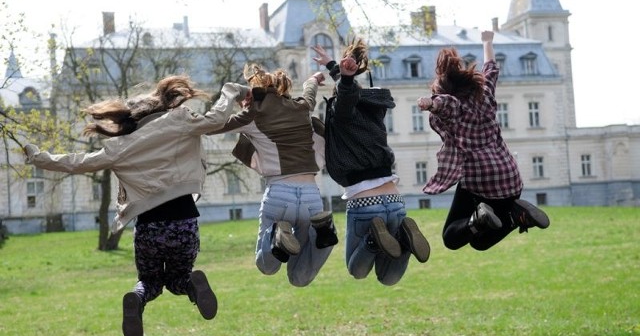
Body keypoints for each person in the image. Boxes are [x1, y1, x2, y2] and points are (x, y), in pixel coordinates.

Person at [23, 75, 249, 336]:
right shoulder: (179, 121)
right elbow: (216, 119)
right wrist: (231, 92)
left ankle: (138, 298)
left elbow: (77, 163)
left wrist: (38, 157)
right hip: (184, 220)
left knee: (150, 281)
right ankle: (192, 284)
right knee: (179, 278)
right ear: (159, 106)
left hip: (149, 227)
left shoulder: (120, 146)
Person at [416, 30, 550, 251]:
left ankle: (478, 220)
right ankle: (517, 217)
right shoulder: (485, 94)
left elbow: (447, 104)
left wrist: (429, 103)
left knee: (451, 237)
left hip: (480, 181)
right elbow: (491, 67)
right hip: (510, 178)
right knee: (480, 242)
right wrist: (487, 41)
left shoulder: (456, 105)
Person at [312, 39, 430, 287]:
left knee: (357, 270)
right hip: (395, 201)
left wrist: (343, 77)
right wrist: (336, 68)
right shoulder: (375, 109)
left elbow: (345, 101)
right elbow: (351, 96)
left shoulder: (342, 113)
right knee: (387, 278)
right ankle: (405, 242)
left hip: (365, 202)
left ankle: (373, 241)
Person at [210, 63, 338, 287]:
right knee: (300, 278)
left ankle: (278, 233)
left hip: (279, 194)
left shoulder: (251, 115)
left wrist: (233, 93)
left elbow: (211, 125)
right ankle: (324, 236)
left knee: (266, 266)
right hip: (311, 197)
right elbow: (309, 91)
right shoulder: (301, 107)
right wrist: (315, 78)